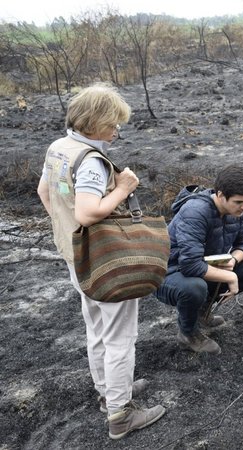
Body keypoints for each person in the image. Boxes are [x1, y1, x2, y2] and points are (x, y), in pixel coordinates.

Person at [37, 83, 166, 439]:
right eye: (113, 123)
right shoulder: (92, 161)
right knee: (120, 338)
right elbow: (90, 211)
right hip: (103, 261)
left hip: (75, 256)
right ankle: (121, 415)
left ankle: (108, 392)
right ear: (94, 122)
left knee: (96, 328)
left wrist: (68, 230)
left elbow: (44, 192)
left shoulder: (59, 148)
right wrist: (123, 189)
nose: (117, 131)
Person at [155, 164, 243, 354]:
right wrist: (230, 277)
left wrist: (233, 260)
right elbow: (189, 265)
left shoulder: (236, 211)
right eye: (239, 201)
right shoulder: (195, 212)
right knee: (194, 288)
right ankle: (188, 333)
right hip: (168, 273)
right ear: (220, 195)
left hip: (202, 265)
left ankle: (202, 312)